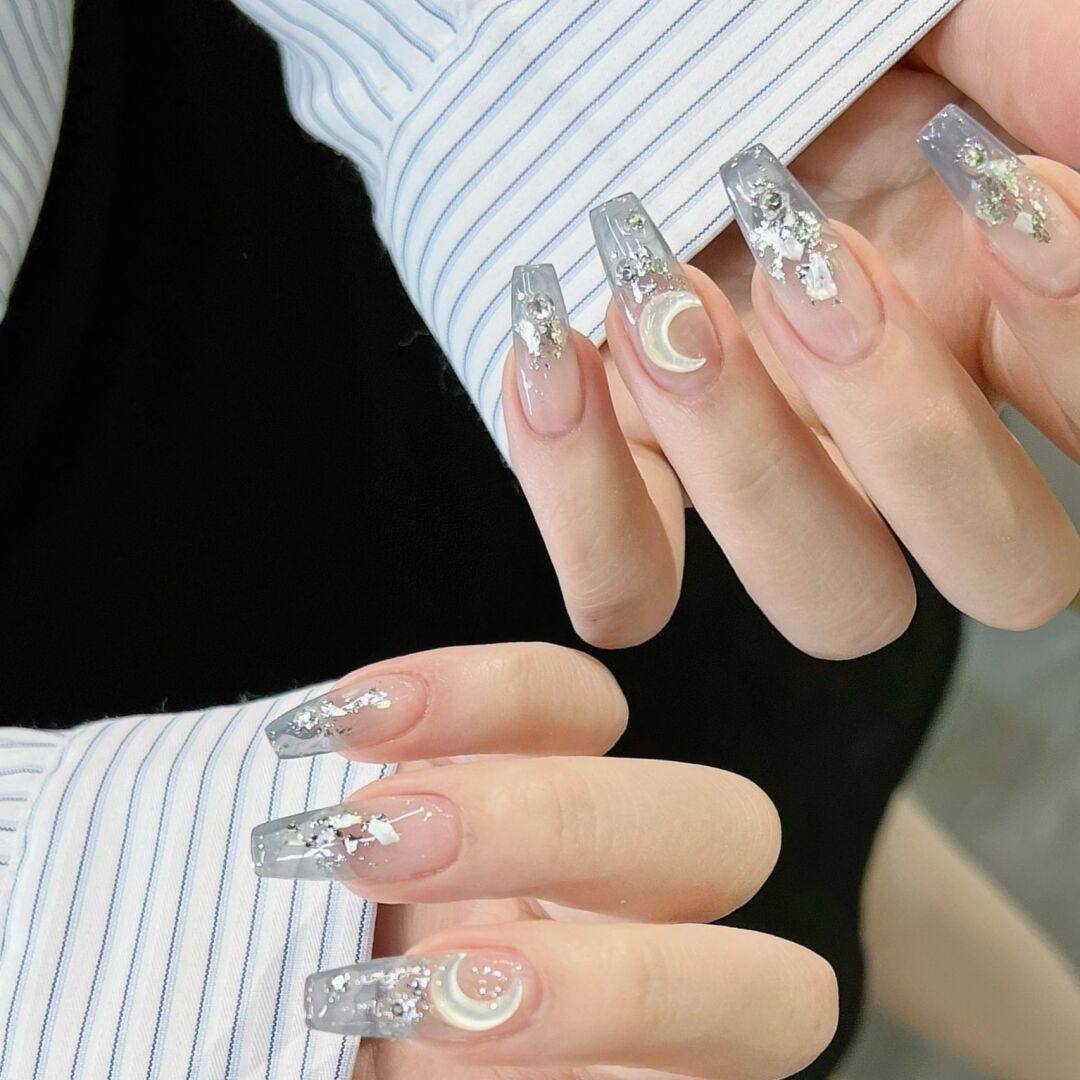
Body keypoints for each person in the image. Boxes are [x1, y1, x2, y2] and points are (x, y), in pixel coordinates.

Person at [0, 0, 1075, 1077]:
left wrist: (616, 70)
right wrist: (96, 933)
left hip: (277, 233)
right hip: (80, 661)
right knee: (626, 874)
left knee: (771, 742)